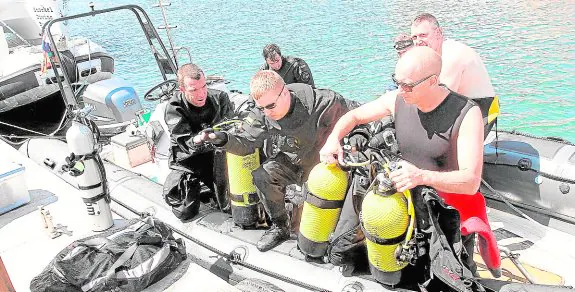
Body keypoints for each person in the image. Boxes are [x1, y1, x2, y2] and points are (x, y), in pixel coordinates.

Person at [320, 46, 485, 274]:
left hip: (445, 212)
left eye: (407, 85)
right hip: (406, 203)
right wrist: (333, 139)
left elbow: (471, 181)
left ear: (432, 81)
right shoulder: (397, 99)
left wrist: (421, 176)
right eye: (396, 81)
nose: (400, 89)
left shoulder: (467, 114)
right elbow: (354, 116)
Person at [193, 70, 358, 252]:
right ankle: (280, 226)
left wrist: (357, 137)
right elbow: (246, 142)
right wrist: (221, 138)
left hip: (324, 163)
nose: (267, 113)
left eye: (270, 106)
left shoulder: (324, 101)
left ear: (285, 92)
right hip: (293, 159)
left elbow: (357, 116)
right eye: (261, 108)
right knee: (263, 175)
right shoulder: (263, 112)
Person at [163, 63, 235, 221]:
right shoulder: (174, 108)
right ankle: (197, 189)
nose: (201, 94)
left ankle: (216, 193)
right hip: (187, 161)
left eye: (203, 86)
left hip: (215, 158)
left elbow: (231, 127)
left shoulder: (220, 98)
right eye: (193, 90)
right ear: (182, 89)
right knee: (185, 211)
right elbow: (183, 142)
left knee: (231, 203)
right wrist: (200, 139)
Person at [411, 13, 499, 137]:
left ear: (439, 32)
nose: (418, 41)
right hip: (462, 107)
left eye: (423, 35)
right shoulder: (432, 56)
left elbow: (440, 102)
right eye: (414, 37)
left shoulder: (452, 55)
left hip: (482, 110)